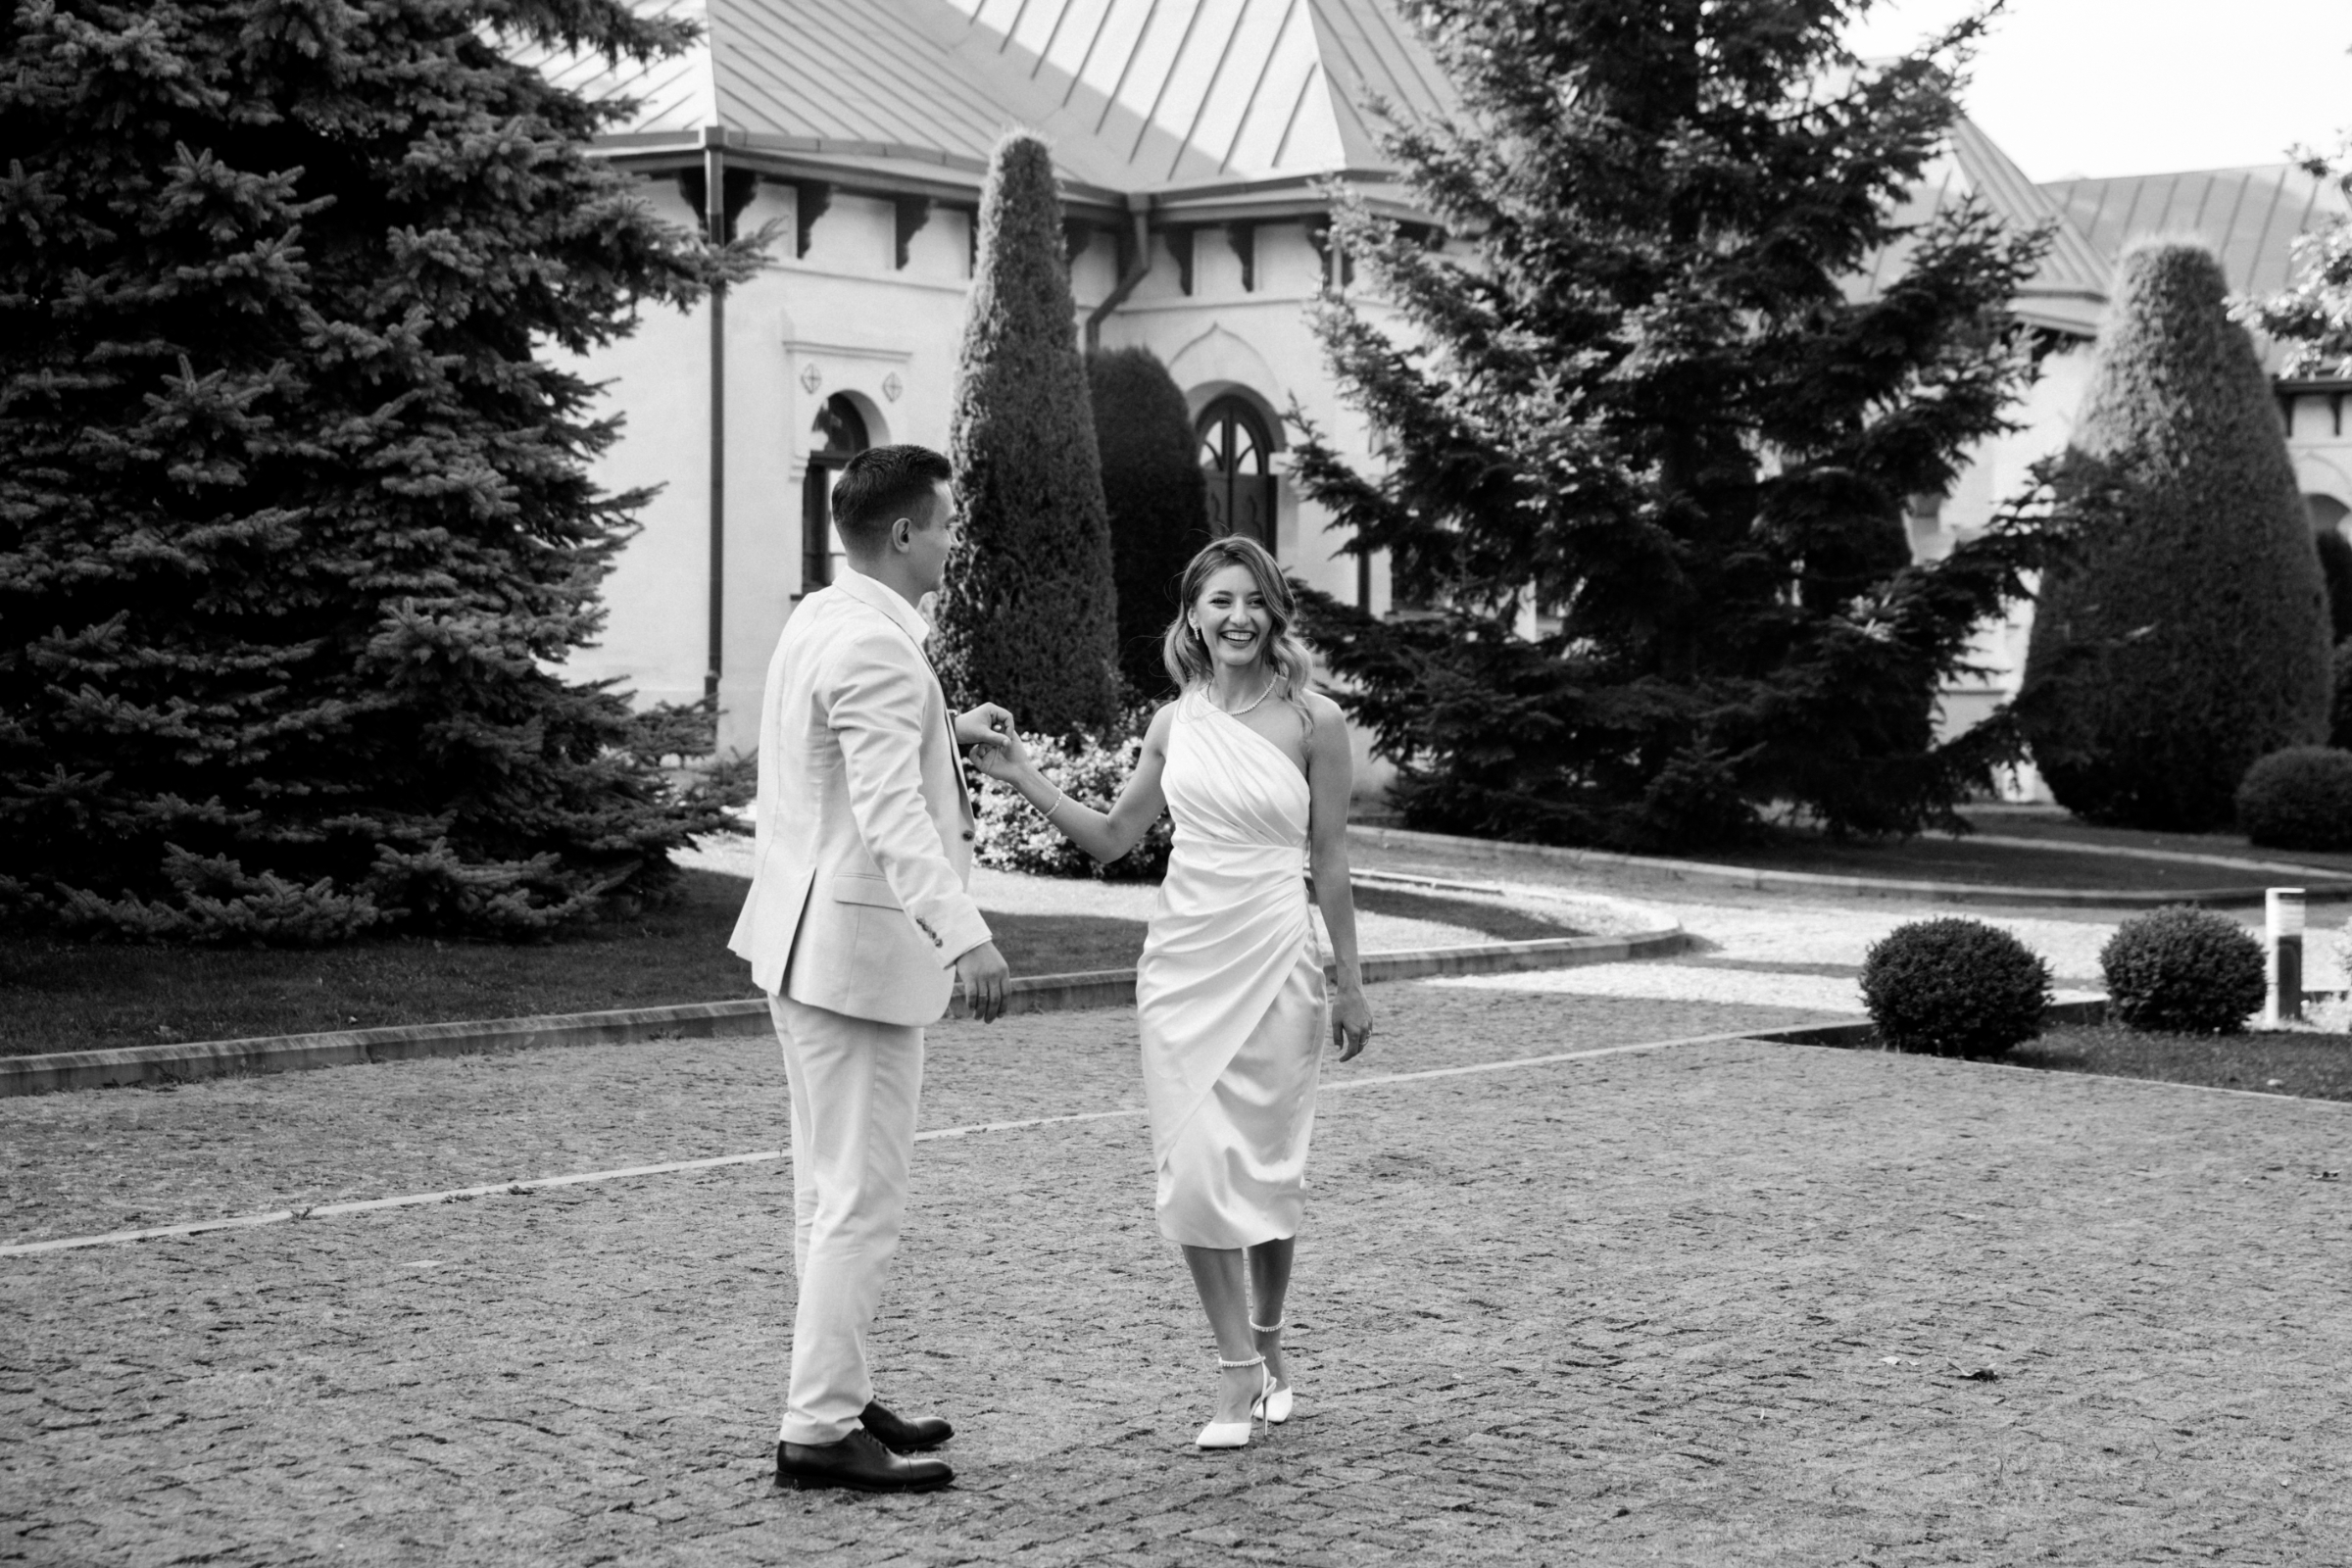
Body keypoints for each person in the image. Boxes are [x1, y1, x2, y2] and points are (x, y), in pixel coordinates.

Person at [970, 534, 1374, 1448]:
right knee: (1194, 1169)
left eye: (1254, 601)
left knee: (1267, 1168)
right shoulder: (1172, 723)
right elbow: (1115, 838)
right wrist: (1022, 774)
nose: (1239, 617)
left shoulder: (1315, 722)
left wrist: (1350, 979)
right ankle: (1235, 1370)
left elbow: (1330, 859)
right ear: (1192, 614)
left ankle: (1269, 1341)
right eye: (1220, 600)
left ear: (1275, 614)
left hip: (1276, 959)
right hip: (1185, 965)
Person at [728, 444, 1016, 1494]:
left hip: (802, 943)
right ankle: (817, 1427)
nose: (952, 538)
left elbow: (851, 760)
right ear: (902, 534)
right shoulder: (876, 647)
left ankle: (837, 1390)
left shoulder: (826, 614)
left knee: (827, 1194)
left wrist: (947, 727)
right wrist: (964, 933)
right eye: (944, 522)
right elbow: (893, 818)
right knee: (860, 1201)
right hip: (853, 958)